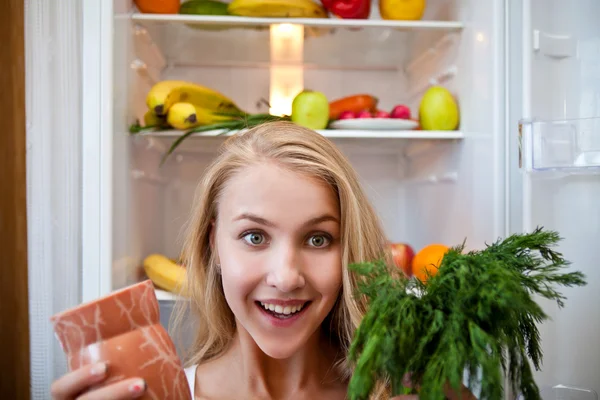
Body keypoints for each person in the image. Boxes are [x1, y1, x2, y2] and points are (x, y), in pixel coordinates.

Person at [51, 122, 474, 400]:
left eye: (318, 238)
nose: (286, 277)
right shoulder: (170, 395)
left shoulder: (414, 387)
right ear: (214, 243)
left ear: (349, 252)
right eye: (254, 236)